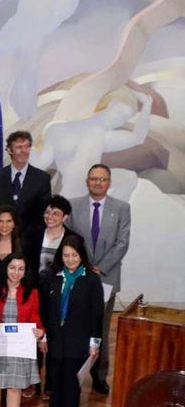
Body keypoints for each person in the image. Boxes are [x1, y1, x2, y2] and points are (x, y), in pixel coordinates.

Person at [69, 164, 130, 394]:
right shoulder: (74, 206)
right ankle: (73, 372)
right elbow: (70, 240)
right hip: (79, 276)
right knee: (76, 326)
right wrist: (84, 267)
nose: (97, 182)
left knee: (101, 328)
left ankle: (100, 375)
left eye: (102, 179)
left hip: (106, 277)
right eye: (94, 178)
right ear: (87, 181)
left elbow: (122, 243)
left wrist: (99, 268)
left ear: (109, 183)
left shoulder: (122, 208)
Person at [40, 236, 103, 407]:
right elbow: (47, 311)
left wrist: (94, 344)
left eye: (74, 255)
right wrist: (45, 336)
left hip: (78, 343)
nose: (69, 260)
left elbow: (97, 314)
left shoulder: (92, 280)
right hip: (56, 342)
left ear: (81, 255)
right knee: (55, 386)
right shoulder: (53, 276)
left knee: (70, 388)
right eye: (66, 255)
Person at [0, 254, 44, 407]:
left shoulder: (32, 292)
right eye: (12, 267)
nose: (16, 272)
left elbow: (35, 317)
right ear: (5, 268)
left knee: (14, 387)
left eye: (20, 268)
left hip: (20, 347)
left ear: (25, 272)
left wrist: (40, 331)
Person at [0, 130, 52, 229]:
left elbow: (44, 212)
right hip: (1, 235)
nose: (24, 151)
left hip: (31, 238)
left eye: (27, 146)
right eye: (19, 147)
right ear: (9, 150)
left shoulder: (43, 178)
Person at [24, 195, 79, 278]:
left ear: (64, 217)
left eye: (55, 214)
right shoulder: (32, 234)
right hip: (33, 286)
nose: (50, 216)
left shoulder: (74, 239)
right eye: (47, 212)